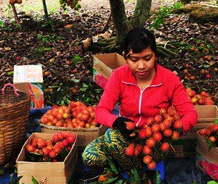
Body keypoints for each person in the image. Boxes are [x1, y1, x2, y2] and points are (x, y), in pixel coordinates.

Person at [82, 27, 198, 169]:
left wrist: (177, 129)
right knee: (90, 156)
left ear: (155, 56)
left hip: (154, 141)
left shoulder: (169, 79)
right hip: (126, 137)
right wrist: (117, 121)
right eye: (134, 60)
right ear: (125, 56)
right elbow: (101, 111)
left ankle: (134, 172)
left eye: (147, 58)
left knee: (111, 139)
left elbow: (190, 114)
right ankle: (132, 165)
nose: (141, 66)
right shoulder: (119, 76)